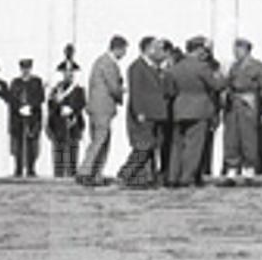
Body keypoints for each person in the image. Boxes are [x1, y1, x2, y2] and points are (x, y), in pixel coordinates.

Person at [164, 36, 222, 187]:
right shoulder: (202, 67)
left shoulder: (175, 67)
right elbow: (216, 85)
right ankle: (186, 177)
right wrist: (223, 77)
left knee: (177, 145)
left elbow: (170, 91)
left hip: (179, 108)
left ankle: (172, 176)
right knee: (194, 146)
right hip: (199, 109)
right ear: (198, 49)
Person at [79, 36, 128, 184]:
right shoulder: (108, 63)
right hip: (103, 108)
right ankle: (86, 171)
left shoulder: (100, 61)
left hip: (97, 107)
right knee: (100, 139)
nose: (124, 54)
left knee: (101, 140)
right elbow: (113, 86)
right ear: (118, 48)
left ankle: (95, 174)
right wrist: (122, 92)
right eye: (124, 50)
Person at [120, 36, 167, 189]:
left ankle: (147, 177)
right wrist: (139, 111)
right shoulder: (137, 67)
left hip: (156, 113)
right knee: (143, 146)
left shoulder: (155, 67)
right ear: (148, 49)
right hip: (144, 114)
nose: (160, 51)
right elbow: (136, 92)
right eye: (157, 47)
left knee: (151, 146)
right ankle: (126, 173)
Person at [222, 38, 262, 181]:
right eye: (235, 49)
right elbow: (228, 83)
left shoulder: (257, 66)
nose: (236, 52)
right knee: (232, 138)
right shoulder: (234, 67)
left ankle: (249, 169)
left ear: (247, 50)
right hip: (233, 105)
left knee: (248, 137)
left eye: (239, 49)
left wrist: (259, 102)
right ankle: (231, 169)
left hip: (248, 105)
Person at [8, 57, 46, 178]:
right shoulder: (15, 83)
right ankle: (18, 168)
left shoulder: (37, 82)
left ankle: (31, 168)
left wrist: (31, 107)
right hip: (18, 116)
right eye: (24, 68)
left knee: (32, 143)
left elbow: (40, 97)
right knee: (18, 143)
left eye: (28, 68)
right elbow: (11, 98)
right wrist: (19, 108)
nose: (26, 71)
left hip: (33, 116)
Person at [47, 62, 86, 178]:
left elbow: (82, 103)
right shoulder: (56, 89)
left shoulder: (78, 89)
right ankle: (58, 175)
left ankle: (72, 174)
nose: (68, 74)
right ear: (62, 73)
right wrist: (59, 108)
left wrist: (72, 109)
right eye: (66, 72)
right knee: (58, 153)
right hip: (59, 125)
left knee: (73, 151)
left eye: (71, 72)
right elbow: (50, 105)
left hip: (74, 124)